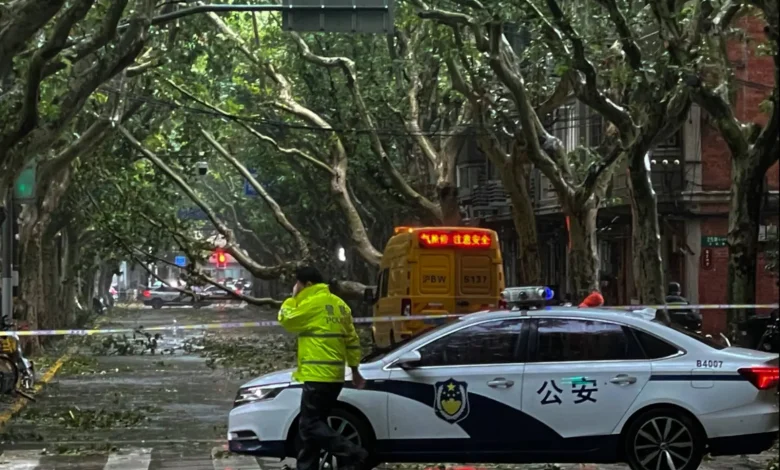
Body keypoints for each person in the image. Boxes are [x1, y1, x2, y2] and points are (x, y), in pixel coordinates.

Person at [278, 266, 369, 470]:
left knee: (309, 425)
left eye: (297, 283)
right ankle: (307, 466)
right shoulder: (340, 305)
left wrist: (291, 299)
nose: (296, 287)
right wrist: (354, 370)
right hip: (335, 377)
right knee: (313, 426)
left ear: (308, 284)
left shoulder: (312, 303)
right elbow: (352, 341)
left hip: (318, 376)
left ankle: (352, 452)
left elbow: (287, 320)